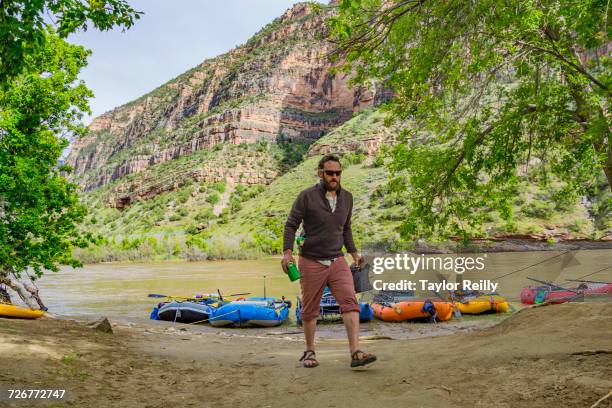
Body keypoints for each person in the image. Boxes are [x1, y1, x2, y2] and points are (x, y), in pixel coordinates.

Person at [282, 154, 377, 368]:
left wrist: (353, 253)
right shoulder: (306, 197)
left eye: (338, 173)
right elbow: (291, 225)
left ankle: (355, 352)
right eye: (330, 173)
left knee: (350, 303)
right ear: (320, 173)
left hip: (337, 260)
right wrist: (287, 253)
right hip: (310, 260)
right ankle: (309, 352)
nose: (334, 177)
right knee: (309, 309)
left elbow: (346, 228)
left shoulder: (348, 198)